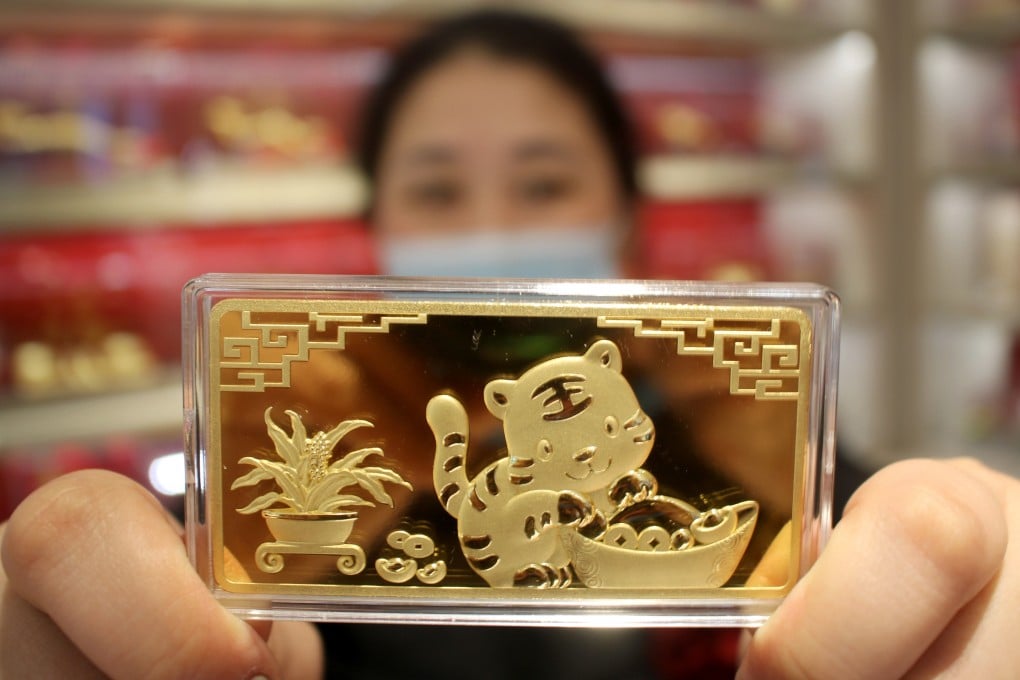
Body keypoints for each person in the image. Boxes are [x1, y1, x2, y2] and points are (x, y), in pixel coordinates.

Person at [1, 9, 1017, 680]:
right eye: (438, 190)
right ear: (374, 229)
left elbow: (899, 537)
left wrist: (957, 570)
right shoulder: (293, 482)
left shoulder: (762, 450)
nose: (488, 229)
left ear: (628, 220)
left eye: (541, 183)